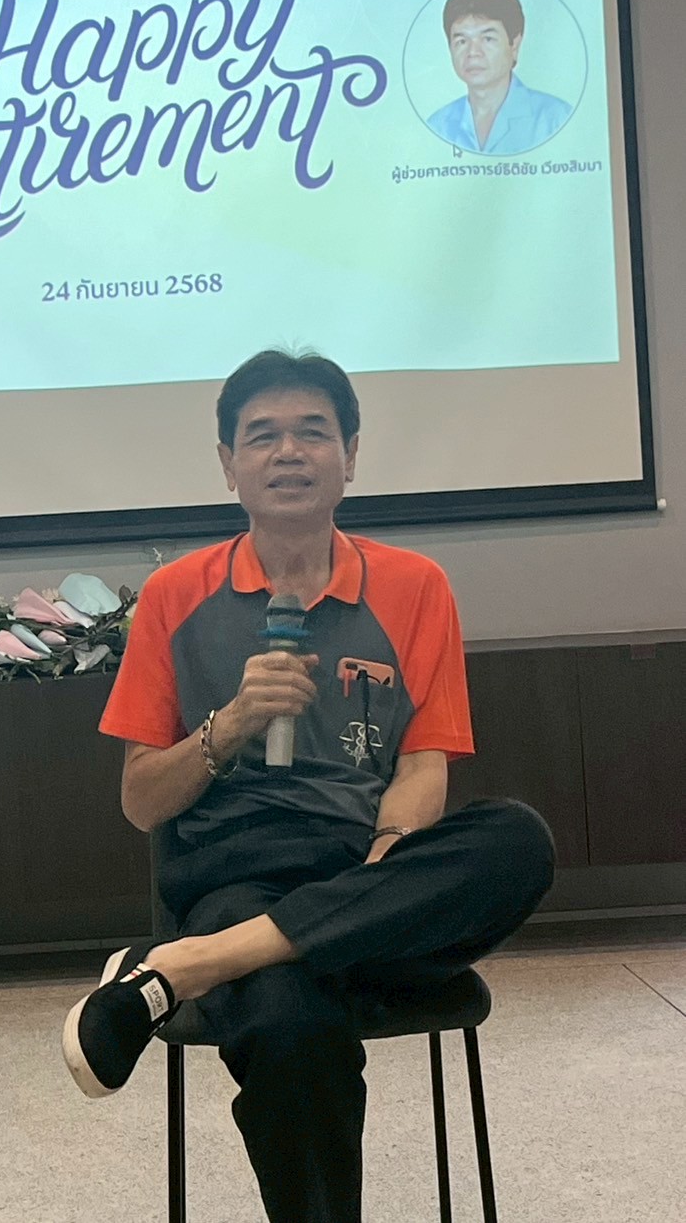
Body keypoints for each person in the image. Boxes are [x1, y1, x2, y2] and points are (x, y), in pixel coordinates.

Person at [61, 349, 555, 1223]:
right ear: (229, 464)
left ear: (350, 455)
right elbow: (141, 800)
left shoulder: (416, 587)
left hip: (372, 877)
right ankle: (241, 951)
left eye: (312, 432)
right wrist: (232, 722)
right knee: (288, 1020)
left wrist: (386, 856)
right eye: (262, 435)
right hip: (237, 878)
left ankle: (190, 966)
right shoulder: (176, 596)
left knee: (518, 839)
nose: (288, 451)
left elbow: (422, 767)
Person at [427, 0, 572, 155]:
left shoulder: (556, 118)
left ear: (514, 45)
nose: (473, 53)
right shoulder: (437, 125)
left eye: (487, 39)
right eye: (462, 41)